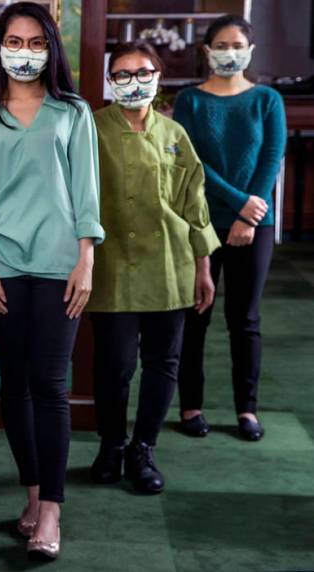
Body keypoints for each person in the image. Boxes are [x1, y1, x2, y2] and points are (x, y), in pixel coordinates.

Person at [0, 2, 103, 559]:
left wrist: (86, 259)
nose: (24, 52)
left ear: (52, 48)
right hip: (2, 265)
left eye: (36, 41)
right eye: (13, 41)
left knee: (51, 385)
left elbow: (86, 193)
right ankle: (35, 495)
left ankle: (53, 511)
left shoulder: (73, 112)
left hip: (62, 264)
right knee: (13, 384)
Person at [88, 41, 220, 494]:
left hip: (170, 263)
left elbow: (193, 202)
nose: (133, 82)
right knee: (114, 366)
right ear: (110, 82)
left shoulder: (173, 133)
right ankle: (110, 444)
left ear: (158, 76)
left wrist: (203, 265)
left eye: (143, 72)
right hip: (110, 265)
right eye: (122, 74)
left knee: (163, 363)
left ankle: (143, 448)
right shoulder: (91, 128)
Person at [175, 15, 287, 442]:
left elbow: (271, 156)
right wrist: (238, 205)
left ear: (250, 50)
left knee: (245, 320)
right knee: (195, 316)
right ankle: (191, 406)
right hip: (201, 221)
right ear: (207, 51)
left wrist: (248, 217)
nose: (229, 51)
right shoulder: (190, 101)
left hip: (254, 226)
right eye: (220, 44)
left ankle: (247, 410)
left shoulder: (267, 99)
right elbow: (192, 163)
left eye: (236, 43)